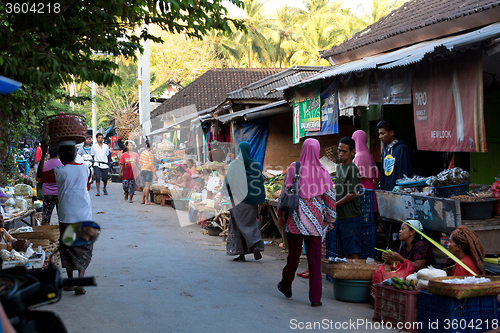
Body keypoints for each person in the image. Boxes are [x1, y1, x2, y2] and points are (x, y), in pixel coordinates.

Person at [276, 138, 336, 307]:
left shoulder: (294, 168)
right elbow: (330, 199)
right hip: (315, 224)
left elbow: (283, 195)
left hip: (295, 221)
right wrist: (330, 220)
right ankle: (315, 299)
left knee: (293, 257)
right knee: (315, 262)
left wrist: (281, 215)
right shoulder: (323, 172)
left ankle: (286, 286)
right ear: (317, 151)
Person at [37, 140, 93, 295]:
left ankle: (69, 282)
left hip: (67, 214)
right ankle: (80, 281)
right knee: (83, 247)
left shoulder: (59, 171)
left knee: (68, 247)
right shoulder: (84, 168)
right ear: (74, 154)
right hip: (84, 214)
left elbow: (39, 176)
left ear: (61, 156)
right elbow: (87, 187)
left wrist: (43, 153)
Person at [215, 141, 266, 262]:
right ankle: (253, 246)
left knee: (237, 227)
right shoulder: (255, 164)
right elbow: (260, 184)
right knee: (250, 225)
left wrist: (219, 199)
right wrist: (261, 200)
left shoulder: (235, 164)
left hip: (238, 202)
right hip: (252, 204)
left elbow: (227, 183)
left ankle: (245, 250)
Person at [336, 137, 362, 259]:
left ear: (352, 152)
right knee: (346, 251)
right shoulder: (339, 167)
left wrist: (335, 204)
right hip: (341, 216)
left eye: (344, 151)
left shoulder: (352, 169)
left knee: (352, 251)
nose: (340, 154)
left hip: (350, 217)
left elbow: (353, 194)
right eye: (339, 150)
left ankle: (356, 275)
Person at [377, 120, 412, 191]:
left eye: (382, 134)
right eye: (379, 134)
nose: (380, 137)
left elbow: (404, 172)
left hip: (398, 193)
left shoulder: (402, 148)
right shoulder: (385, 151)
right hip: (387, 192)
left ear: (392, 133)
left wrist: (401, 189)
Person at [39, 147, 63, 225]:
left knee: (46, 216)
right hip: (59, 193)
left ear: (49, 154)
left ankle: (45, 234)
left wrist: (47, 180)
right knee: (63, 216)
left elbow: (38, 178)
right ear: (58, 154)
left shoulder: (44, 165)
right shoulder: (62, 165)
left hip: (47, 193)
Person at [139, 140, 157, 205]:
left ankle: (142, 200)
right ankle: (146, 201)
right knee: (147, 187)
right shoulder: (150, 154)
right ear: (151, 146)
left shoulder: (142, 153)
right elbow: (151, 165)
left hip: (143, 170)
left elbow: (140, 163)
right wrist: (155, 174)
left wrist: (141, 170)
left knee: (145, 186)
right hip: (148, 171)